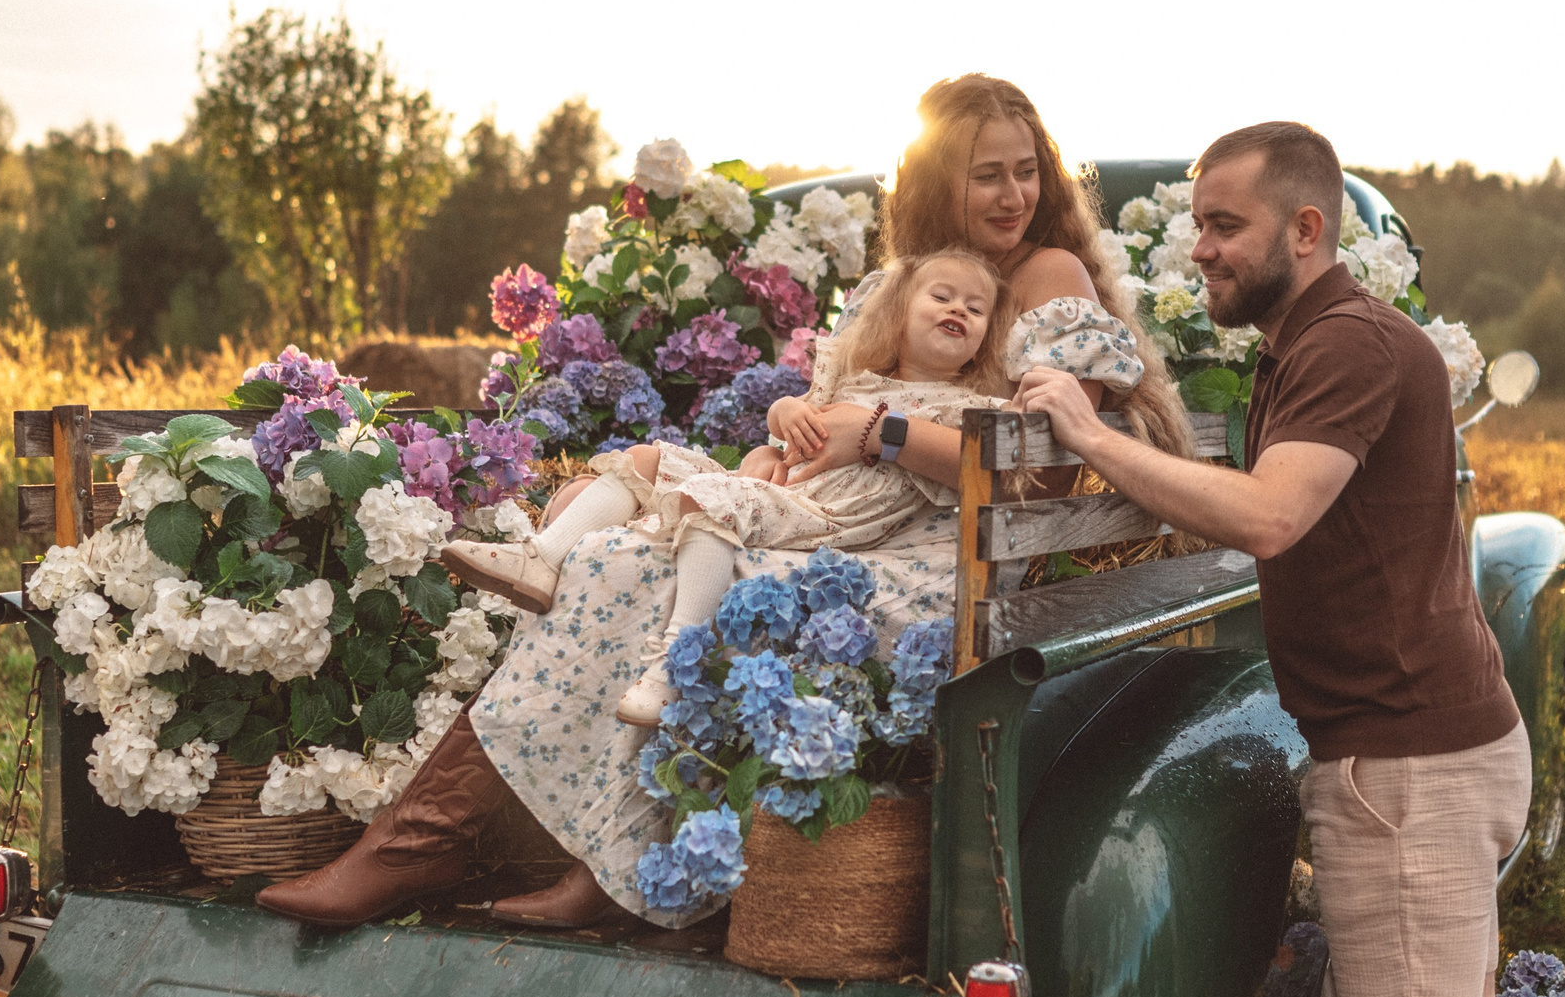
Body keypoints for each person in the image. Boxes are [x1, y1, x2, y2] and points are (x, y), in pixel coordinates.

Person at [257, 75, 1193, 937]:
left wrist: (877, 434)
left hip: (935, 558)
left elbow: (1051, 464)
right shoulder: (902, 282)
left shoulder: (1045, 280)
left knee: (648, 567)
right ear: (938, 181)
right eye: (985, 174)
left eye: (1026, 172)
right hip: (834, 515)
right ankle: (519, 848)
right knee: (615, 549)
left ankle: (445, 850)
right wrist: (784, 451)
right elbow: (826, 423)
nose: (1012, 195)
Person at [1011, 120, 1527, 997]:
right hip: (1446, 738)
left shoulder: (1344, 341)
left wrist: (1086, 432)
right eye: (1195, 224)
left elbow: (1271, 516)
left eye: (1224, 225)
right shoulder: (1316, 339)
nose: (1200, 250)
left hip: (1403, 761)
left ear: (1307, 228)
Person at [441, 251, 1014, 726]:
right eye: (942, 296)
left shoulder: (971, 409)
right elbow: (788, 425)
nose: (958, 309)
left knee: (713, 499)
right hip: (781, 489)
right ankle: (540, 558)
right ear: (898, 311)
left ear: (986, 336)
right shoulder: (854, 380)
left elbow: (984, 468)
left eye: (975, 308)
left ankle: (672, 661)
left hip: (833, 516)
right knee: (647, 458)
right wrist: (783, 412)